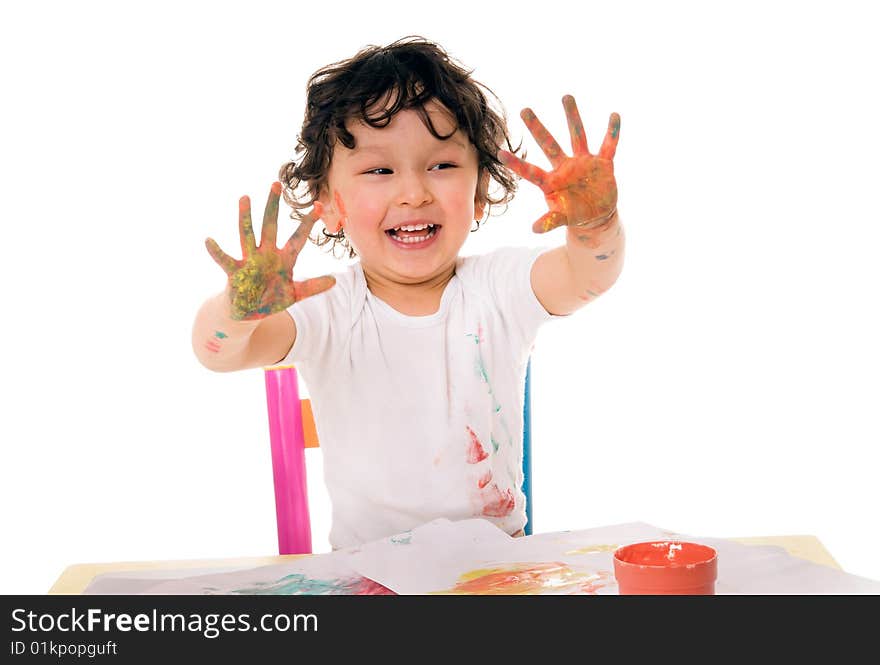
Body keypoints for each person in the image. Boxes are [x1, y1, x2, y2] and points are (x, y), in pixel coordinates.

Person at [192, 36, 624, 549]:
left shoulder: (499, 288)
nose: (414, 192)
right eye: (379, 170)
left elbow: (586, 276)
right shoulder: (328, 310)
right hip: (367, 577)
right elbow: (217, 353)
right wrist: (238, 313)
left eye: (441, 165)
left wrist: (595, 225)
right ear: (328, 203)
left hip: (497, 572)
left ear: (481, 189)